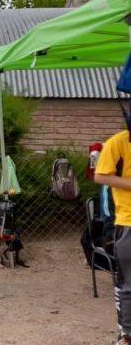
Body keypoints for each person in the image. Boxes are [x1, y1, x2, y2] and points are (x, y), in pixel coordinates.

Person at [95, 130, 131, 345]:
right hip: (128, 223)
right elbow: (100, 175)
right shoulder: (119, 142)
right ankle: (127, 335)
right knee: (130, 285)